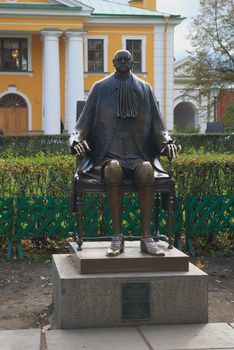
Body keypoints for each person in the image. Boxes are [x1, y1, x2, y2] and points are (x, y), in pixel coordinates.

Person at [70, 50, 180, 257]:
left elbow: (159, 126)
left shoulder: (145, 89)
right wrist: (76, 140)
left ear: (132, 63)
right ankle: (117, 236)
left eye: (126, 59)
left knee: (147, 170)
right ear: (113, 63)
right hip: (106, 154)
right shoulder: (100, 88)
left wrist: (168, 142)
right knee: (113, 170)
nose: (122, 62)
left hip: (139, 154)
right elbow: (81, 125)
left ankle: (146, 238)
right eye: (119, 59)